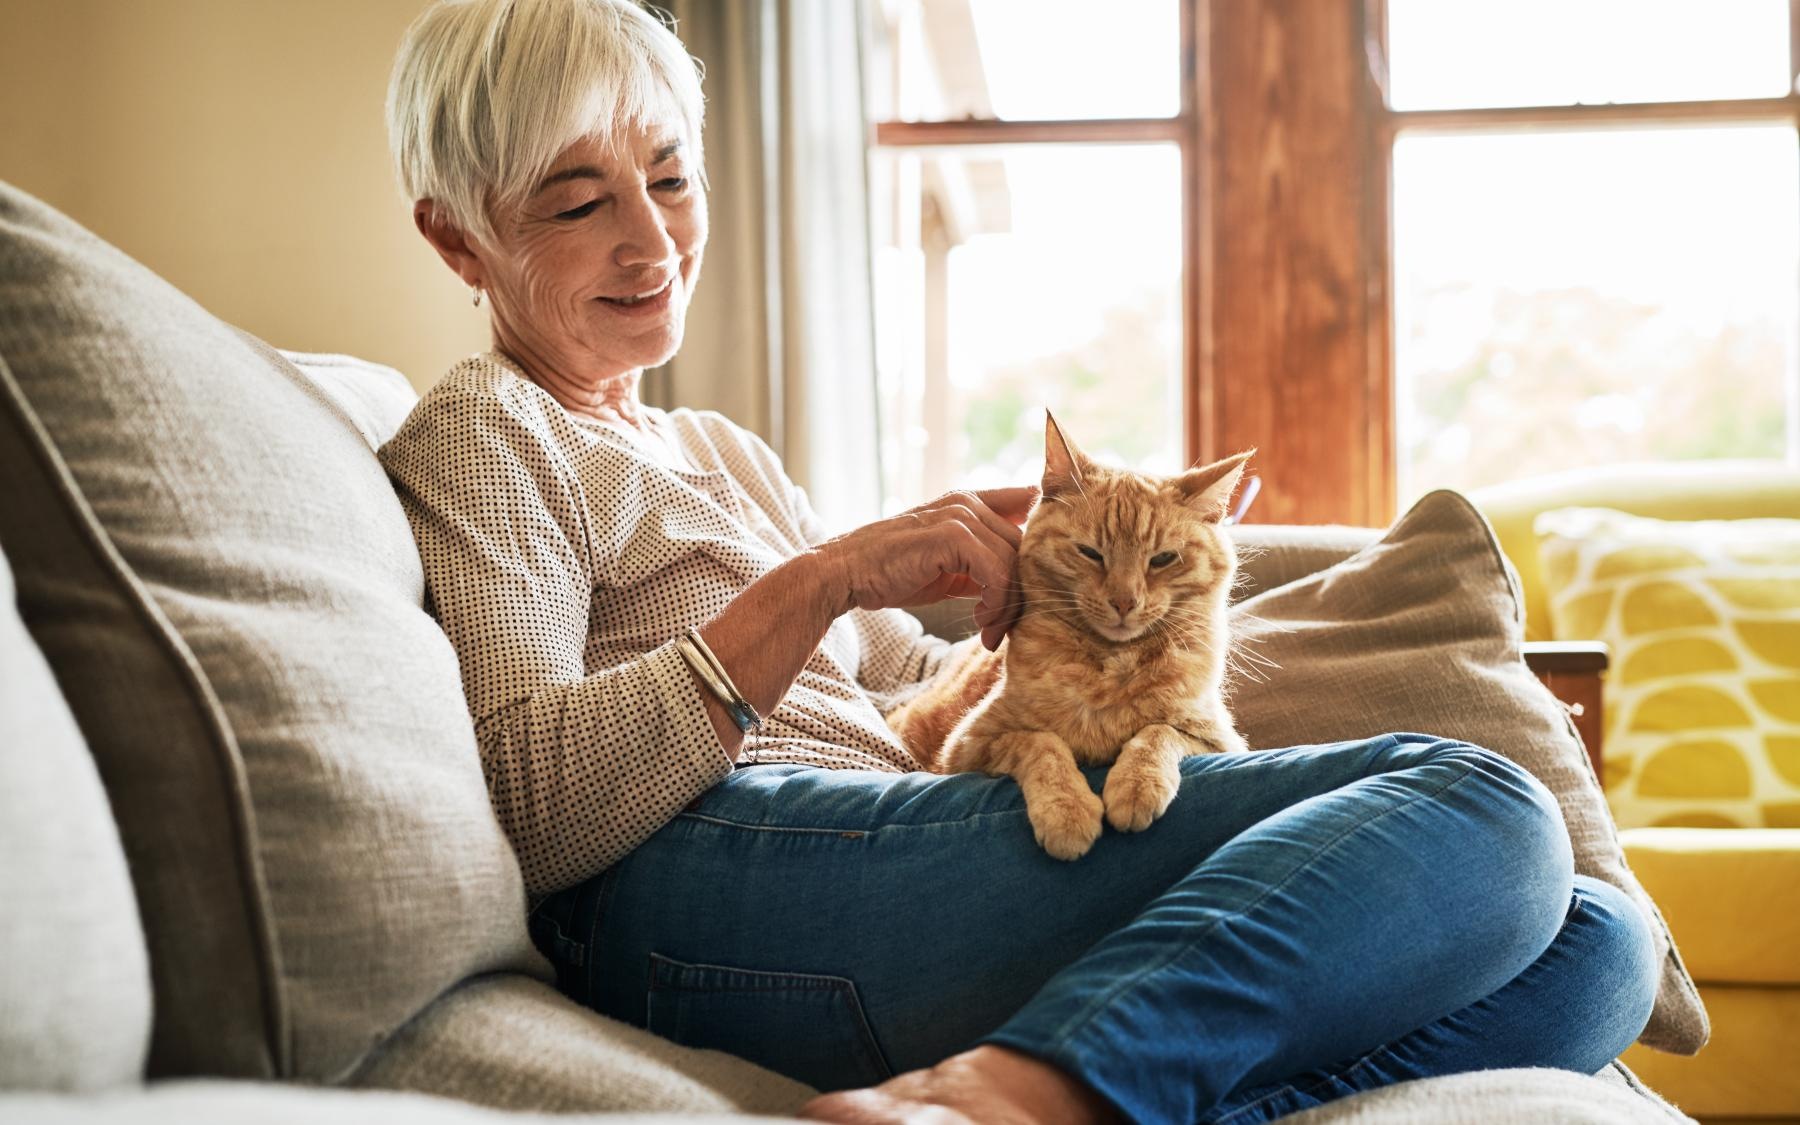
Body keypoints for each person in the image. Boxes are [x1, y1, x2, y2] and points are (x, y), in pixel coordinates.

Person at [377, 2, 1658, 1121]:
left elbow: (913, 684)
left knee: (1601, 946)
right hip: (709, 886)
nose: (651, 240)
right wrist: (825, 575)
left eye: (669, 178)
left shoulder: (717, 448)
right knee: (1482, 806)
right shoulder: (490, 431)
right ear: (457, 240)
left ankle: (1109, 1085)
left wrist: (1032, 589)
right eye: (579, 202)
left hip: (902, 837)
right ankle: (1018, 1099)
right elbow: (534, 809)